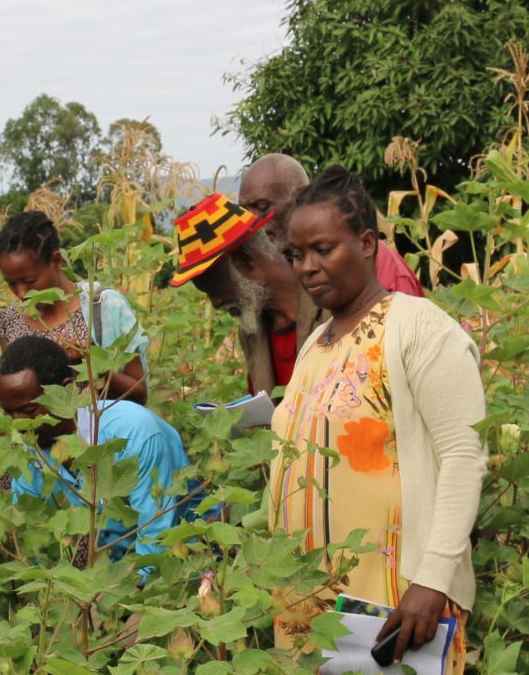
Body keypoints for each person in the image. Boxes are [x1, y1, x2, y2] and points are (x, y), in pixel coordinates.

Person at [269, 166, 483, 671]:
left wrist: (432, 580)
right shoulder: (313, 348)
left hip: (396, 600)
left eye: (324, 249)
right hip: (306, 602)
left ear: (366, 243)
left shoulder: (419, 328)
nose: (308, 268)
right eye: (296, 255)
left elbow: (462, 456)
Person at [0, 336, 191, 559]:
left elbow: (157, 539)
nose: (17, 425)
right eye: (8, 413)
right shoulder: (31, 453)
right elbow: (36, 540)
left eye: (29, 412)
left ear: (66, 391)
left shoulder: (134, 434)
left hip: (178, 564)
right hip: (97, 574)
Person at [170, 193, 326, 396]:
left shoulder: (332, 302)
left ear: (244, 260)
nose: (216, 303)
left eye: (215, 288)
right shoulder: (251, 332)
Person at [0, 211, 149, 404]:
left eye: (29, 280)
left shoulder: (104, 308)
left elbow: (140, 395)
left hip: (103, 433)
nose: (22, 293)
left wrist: (92, 367)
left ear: (56, 261)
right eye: (11, 283)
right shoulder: (9, 322)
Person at [239, 154, 427, 298]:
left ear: (301, 197)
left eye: (263, 207)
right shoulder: (280, 267)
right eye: (243, 211)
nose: (252, 222)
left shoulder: (384, 270)